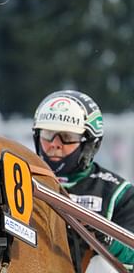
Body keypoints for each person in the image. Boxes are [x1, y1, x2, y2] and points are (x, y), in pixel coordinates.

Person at [32, 90, 134, 272]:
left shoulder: (118, 193)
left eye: (67, 137)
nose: (55, 144)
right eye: (48, 134)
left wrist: (105, 237)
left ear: (89, 144)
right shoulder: (20, 180)